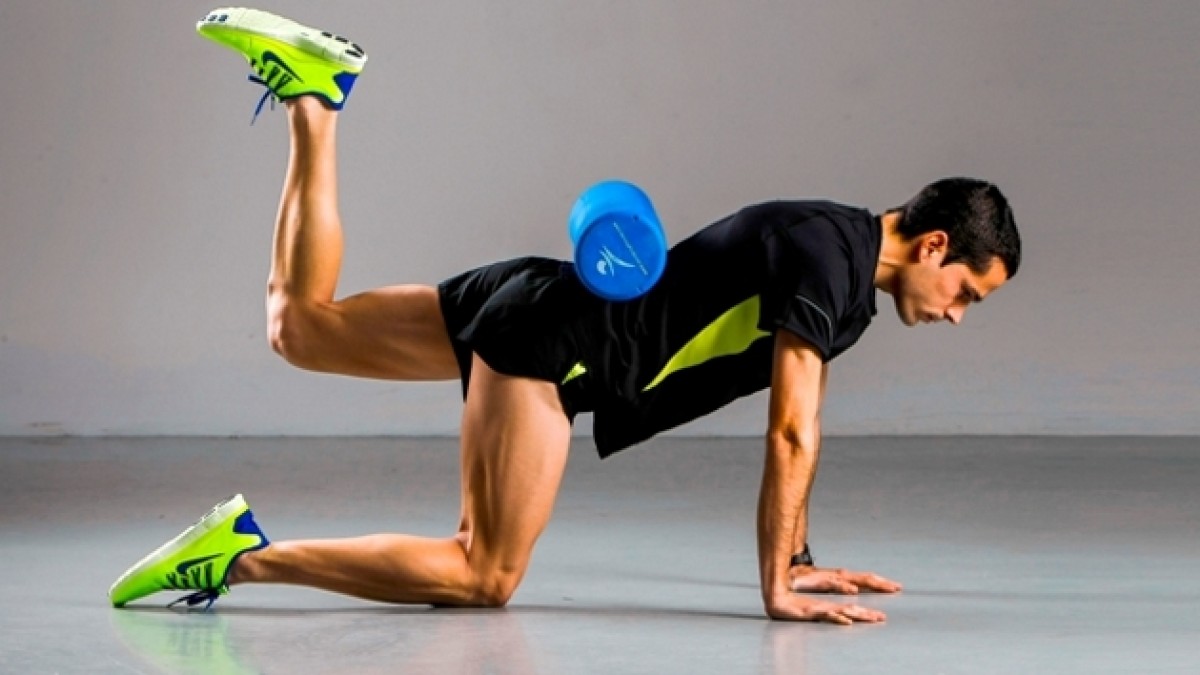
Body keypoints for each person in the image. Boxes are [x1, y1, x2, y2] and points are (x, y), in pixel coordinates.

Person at [109, 8, 1021, 625]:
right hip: (552, 344)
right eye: (968, 294)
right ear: (936, 245)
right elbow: (792, 432)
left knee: (301, 327)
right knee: (484, 572)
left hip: (541, 291)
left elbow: (797, 423)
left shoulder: (839, 262)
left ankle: (314, 102)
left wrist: (799, 550)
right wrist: (777, 583)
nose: (958, 317)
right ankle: (238, 558)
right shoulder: (832, 263)